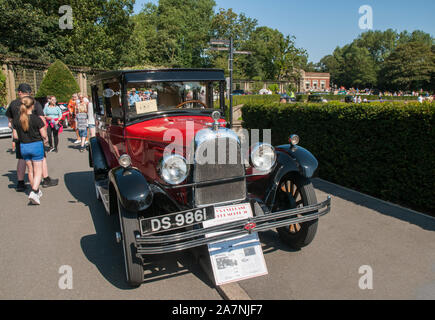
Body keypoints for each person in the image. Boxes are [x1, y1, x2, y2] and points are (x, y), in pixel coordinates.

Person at [6, 84, 58, 191]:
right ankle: (45, 179)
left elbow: (10, 122)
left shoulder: (13, 104)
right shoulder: (34, 103)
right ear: (29, 92)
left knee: (22, 159)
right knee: (40, 159)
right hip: (35, 138)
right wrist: (45, 135)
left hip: (21, 138)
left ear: (20, 92)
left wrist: (15, 133)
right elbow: (41, 118)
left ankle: (20, 183)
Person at [12, 97, 48, 205]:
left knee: (30, 170)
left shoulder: (17, 119)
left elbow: (15, 136)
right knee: (38, 170)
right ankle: (34, 191)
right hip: (36, 145)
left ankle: (35, 191)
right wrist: (45, 139)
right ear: (32, 106)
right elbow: (43, 134)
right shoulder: (36, 119)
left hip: (24, 146)